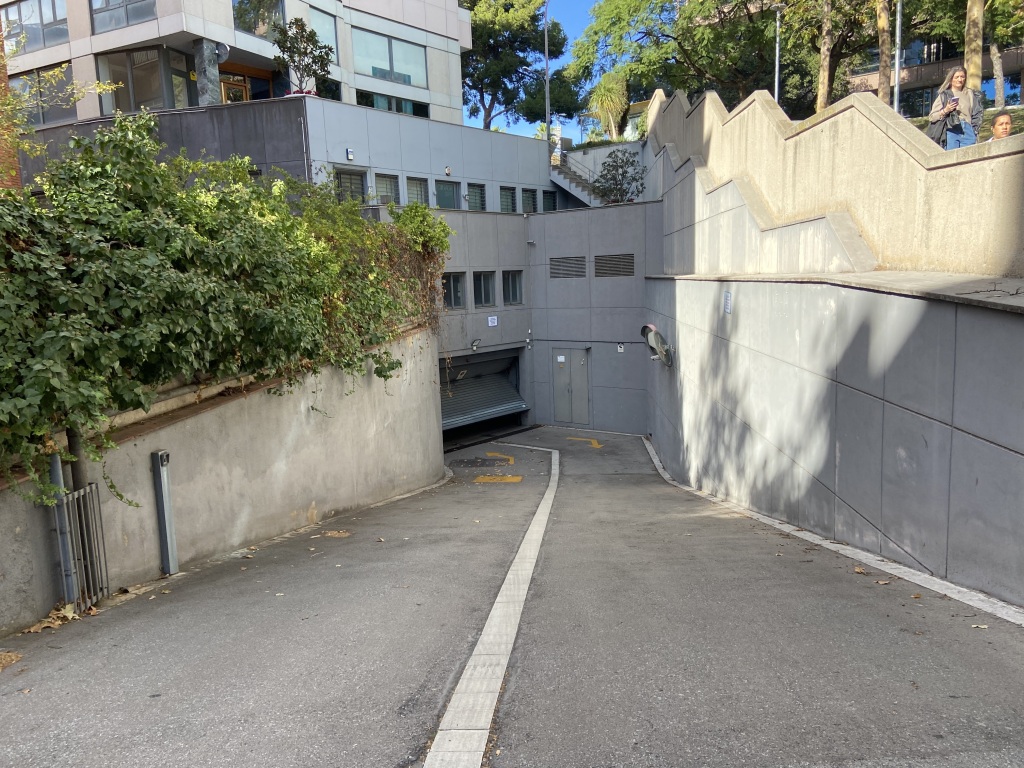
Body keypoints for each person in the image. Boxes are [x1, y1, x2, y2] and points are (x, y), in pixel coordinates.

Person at [928, 66, 983, 150]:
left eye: (962, 77)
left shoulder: (969, 93)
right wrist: (946, 110)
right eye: (957, 77)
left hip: (968, 129)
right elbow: (932, 117)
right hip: (952, 129)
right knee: (952, 155)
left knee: (968, 155)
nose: (960, 79)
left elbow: (976, 113)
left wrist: (974, 130)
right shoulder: (944, 95)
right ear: (951, 79)